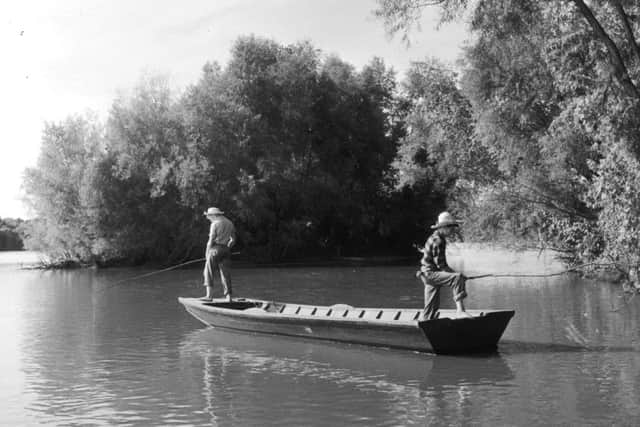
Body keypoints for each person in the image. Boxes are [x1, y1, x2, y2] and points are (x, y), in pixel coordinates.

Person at [416, 211, 471, 320]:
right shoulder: (438, 241)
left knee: (430, 310)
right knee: (457, 278)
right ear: (443, 228)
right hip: (431, 274)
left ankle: (426, 322)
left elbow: (441, 266)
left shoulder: (436, 237)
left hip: (427, 274)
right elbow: (441, 266)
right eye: (450, 227)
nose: (452, 230)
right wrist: (458, 276)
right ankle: (460, 311)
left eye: (452, 227)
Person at [201, 207, 236, 302]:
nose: (208, 218)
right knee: (225, 273)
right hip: (226, 249)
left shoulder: (215, 224)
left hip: (215, 249)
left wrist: (207, 253)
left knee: (208, 271)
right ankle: (228, 297)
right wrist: (227, 247)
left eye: (208, 216)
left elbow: (210, 241)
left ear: (214, 215)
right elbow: (233, 240)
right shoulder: (230, 223)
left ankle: (209, 296)